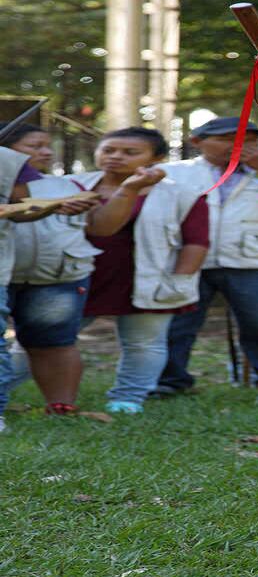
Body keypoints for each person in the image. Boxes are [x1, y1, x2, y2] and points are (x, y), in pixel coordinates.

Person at [156, 118, 258, 394]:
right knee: (177, 323)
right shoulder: (172, 172)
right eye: (228, 138)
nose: (240, 146)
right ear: (197, 142)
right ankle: (168, 381)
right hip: (187, 259)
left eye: (249, 140)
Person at [73, 127, 208, 414]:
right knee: (48, 337)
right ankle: (10, 387)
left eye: (130, 152)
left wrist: (179, 280)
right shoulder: (71, 186)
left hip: (148, 277)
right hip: (77, 275)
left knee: (144, 342)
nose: (116, 157)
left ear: (156, 159)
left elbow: (196, 242)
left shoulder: (182, 194)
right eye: (108, 150)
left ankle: (128, 399)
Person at [3, 123, 102, 415]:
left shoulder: (65, 185)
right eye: (34, 146)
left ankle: (60, 406)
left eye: (48, 145)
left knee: (53, 341)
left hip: (54, 276)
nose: (45, 152)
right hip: (3, 275)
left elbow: (104, 226)